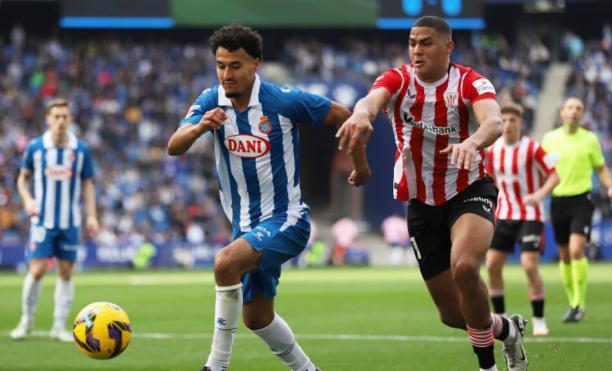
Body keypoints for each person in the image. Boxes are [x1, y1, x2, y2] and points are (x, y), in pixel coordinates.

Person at [167, 25, 369, 371]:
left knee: (224, 263)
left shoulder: (283, 100)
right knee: (258, 318)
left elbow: (346, 117)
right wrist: (200, 127)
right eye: (220, 65)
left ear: (256, 64)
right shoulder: (209, 100)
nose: (226, 74)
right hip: (244, 226)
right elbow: (174, 146)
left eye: (235, 65)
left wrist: (361, 166)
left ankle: (215, 366)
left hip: (286, 220)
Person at [337, 16, 528, 371]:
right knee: (455, 315)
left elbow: (494, 122)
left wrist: (471, 142)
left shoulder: (471, 82)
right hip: (421, 202)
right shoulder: (398, 79)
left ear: (447, 47)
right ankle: (508, 329)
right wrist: (362, 114)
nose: (416, 50)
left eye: (425, 42)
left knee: (466, 267)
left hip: (468, 188)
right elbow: (370, 101)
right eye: (412, 42)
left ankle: (487, 367)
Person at [10, 98, 98, 342]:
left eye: (64, 116)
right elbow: (21, 179)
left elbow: (88, 184)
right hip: (42, 222)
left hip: (70, 222)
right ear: (48, 119)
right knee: (36, 271)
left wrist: (91, 215)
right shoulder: (36, 147)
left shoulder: (81, 150)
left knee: (66, 272)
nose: (60, 120)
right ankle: (26, 319)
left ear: (70, 120)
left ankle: (58, 326)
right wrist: (27, 200)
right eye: (56, 116)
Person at [485, 103, 559, 336]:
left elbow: (554, 176)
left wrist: (538, 195)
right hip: (504, 215)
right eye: (504, 120)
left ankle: (538, 319)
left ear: (520, 123)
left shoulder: (533, 148)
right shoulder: (493, 150)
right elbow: (491, 180)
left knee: (529, 266)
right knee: (492, 266)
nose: (507, 125)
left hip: (530, 216)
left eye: (512, 120)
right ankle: (502, 319)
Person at [541, 97, 612, 323]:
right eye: (570, 107)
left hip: (581, 200)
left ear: (582, 115)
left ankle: (580, 303)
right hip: (557, 201)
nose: (574, 111)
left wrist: (610, 185)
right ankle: (572, 302)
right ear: (562, 112)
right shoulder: (549, 138)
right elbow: (542, 167)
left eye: (579, 108)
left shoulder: (590, 139)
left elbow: (601, 167)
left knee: (576, 250)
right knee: (564, 255)